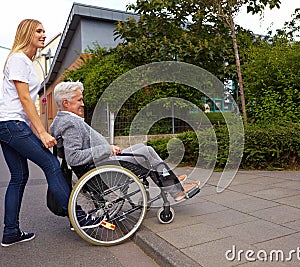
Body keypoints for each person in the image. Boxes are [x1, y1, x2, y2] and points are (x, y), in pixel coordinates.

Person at [0, 19, 99, 248]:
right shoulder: (20, 59)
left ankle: (10, 232)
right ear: (27, 33)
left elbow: (26, 106)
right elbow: (24, 100)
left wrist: (43, 131)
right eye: (39, 31)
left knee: (19, 177)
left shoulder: (26, 61)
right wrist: (41, 133)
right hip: (10, 124)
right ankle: (78, 218)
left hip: (5, 123)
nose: (43, 34)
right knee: (50, 164)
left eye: (43, 31)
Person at [49, 81, 200, 202]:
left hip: (101, 164)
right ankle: (175, 188)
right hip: (103, 167)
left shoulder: (63, 121)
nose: (83, 103)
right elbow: (74, 157)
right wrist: (107, 149)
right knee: (146, 152)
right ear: (66, 103)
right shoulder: (70, 124)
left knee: (142, 148)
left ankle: (169, 179)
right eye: (79, 100)